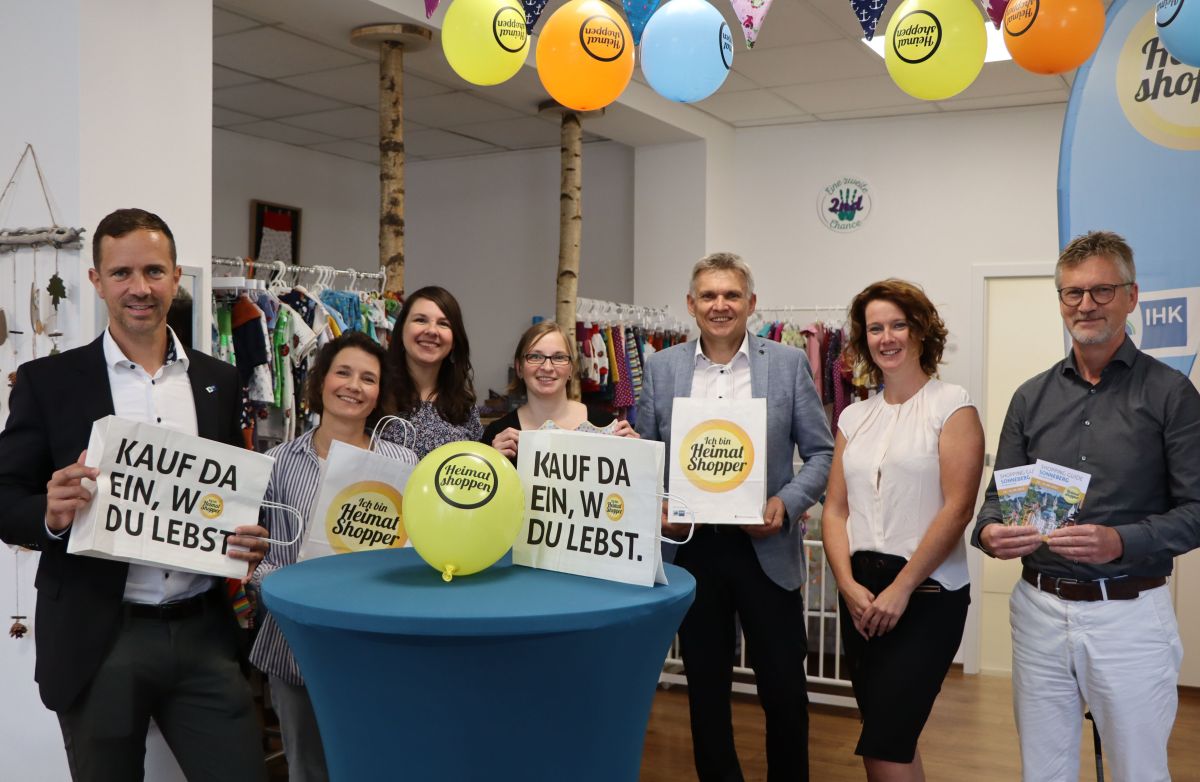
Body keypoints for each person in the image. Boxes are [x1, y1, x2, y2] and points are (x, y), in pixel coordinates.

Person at [0, 208, 270, 781]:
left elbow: (231, 494)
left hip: (204, 632)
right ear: (97, 281)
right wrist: (49, 514)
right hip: (99, 637)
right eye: (121, 273)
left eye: (153, 271)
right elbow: (5, 497)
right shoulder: (48, 382)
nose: (139, 288)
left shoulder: (219, 380)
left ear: (174, 277)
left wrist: (249, 537)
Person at [972, 231, 1200, 782]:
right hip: (1038, 610)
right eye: (1072, 293)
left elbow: (1196, 510)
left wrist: (1120, 541)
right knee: (1043, 770)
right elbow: (996, 500)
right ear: (1060, 301)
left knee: (1139, 771)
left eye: (1102, 290)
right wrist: (991, 533)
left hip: (1129, 614)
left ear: (1132, 296)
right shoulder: (1030, 396)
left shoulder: (1172, 394)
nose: (1086, 304)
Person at [636, 252, 834, 781]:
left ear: (751, 302)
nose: (719, 305)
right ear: (691, 304)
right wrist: (660, 507)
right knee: (705, 689)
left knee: (784, 690)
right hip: (692, 549)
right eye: (708, 295)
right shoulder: (661, 368)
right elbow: (646, 459)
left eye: (730, 295)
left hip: (765, 548)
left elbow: (822, 453)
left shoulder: (788, 364)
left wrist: (786, 503)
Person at [821, 280, 984, 782]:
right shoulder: (854, 416)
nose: (886, 337)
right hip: (861, 598)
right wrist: (846, 585)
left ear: (921, 331)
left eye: (898, 325)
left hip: (926, 593)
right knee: (890, 734)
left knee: (885, 743)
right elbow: (834, 511)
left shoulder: (952, 405)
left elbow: (958, 509)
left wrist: (901, 588)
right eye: (875, 328)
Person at [249, 331, 417, 782]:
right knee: (308, 769)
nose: (354, 386)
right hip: (294, 648)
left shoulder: (403, 463)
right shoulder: (278, 462)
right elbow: (257, 552)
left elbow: (416, 550)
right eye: (343, 372)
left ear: (379, 393)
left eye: (368, 378)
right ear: (321, 379)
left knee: (378, 767)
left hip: (376, 647)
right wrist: (278, 588)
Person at [482, 321, 638, 461]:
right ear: (519, 367)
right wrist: (491, 463)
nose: (547, 367)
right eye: (535, 356)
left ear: (571, 368)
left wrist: (638, 455)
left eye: (558, 357)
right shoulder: (498, 436)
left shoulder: (606, 425)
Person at [381, 286, 482, 457]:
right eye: (420, 320)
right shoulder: (377, 394)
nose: (431, 331)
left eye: (443, 324)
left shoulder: (465, 408)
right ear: (401, 329)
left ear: (454, 340)